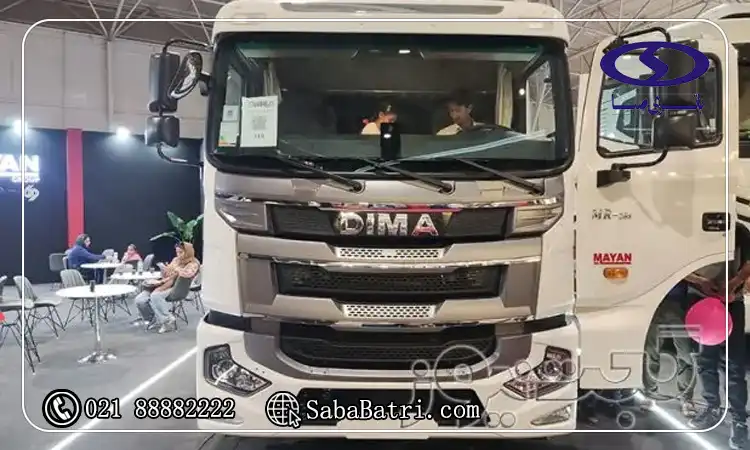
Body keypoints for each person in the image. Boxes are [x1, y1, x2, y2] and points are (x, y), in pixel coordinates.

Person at [688, 259, 748, 450]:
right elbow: (675, 266)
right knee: (705, 361)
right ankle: (712, 407)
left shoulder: (737, 237)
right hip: (700, 299)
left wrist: (734, 283)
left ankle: (739, 420)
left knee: (734, 365)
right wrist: (700, 281)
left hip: (732, 302)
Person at [641, 280, 699, 418]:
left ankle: (686, 398)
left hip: (678, 302)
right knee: (651, 352)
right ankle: (650, 394)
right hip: (654, 302)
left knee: (685, 354)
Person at [134, 242, 200, 333]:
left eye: (181, 252)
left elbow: (186, 274)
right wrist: (165, 270)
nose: (178, 255)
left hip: (177, 289)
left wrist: (175, 269)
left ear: (188, 252)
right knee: (139, 300)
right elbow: (169, 272)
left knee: (155, 296)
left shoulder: (194, 263)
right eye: (177, 252)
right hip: (164, 283)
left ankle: (166, 320)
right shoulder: (176, 260)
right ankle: (154, 319)